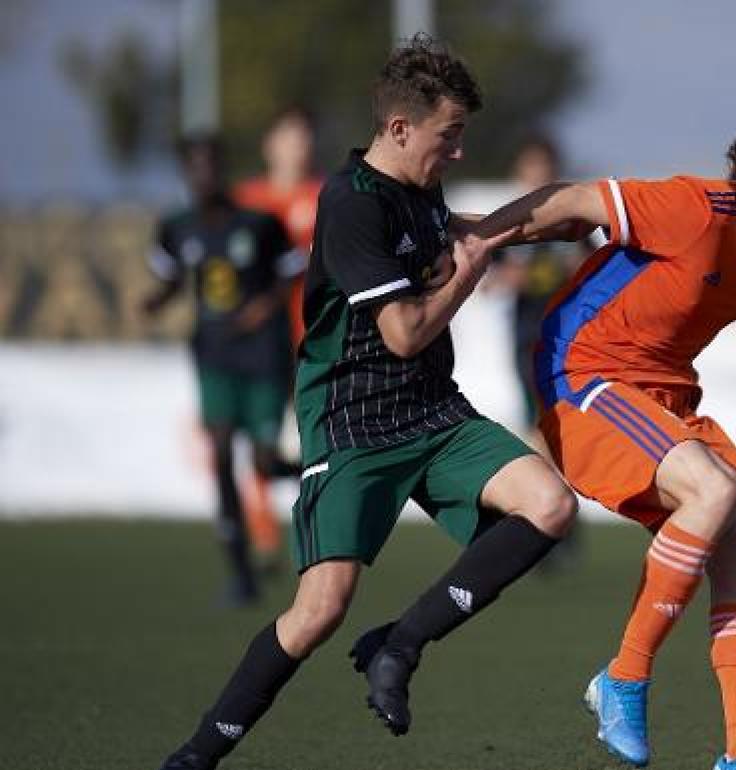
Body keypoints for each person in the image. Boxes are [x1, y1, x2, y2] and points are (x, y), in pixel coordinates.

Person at [156, 34, 576, 770]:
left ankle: (400, 643)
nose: (457, 155)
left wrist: (585, 216)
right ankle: (196, 754)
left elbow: (476, 233)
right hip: (353, 420)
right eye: (449, 137)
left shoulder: (420, 188)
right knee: (319, 610)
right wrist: (472, 271)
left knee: (550, 503)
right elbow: (407, 330)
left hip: (431, 410)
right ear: (401, 129)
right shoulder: (350, 204)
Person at [475, 98, 736, 770]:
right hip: (584, 372)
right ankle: (625, 677)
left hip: (661, 390)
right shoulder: (699, 210)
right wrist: (477, 235)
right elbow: (575, 201)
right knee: (712, 490)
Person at [143, 134, 304, 607]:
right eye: (194, 168)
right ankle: (239, 571)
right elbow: (173, 277)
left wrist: (262, 307)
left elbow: (290, 272)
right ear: (185, 174)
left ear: (222, 168)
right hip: (213, 355)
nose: (203, 176)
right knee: (218, 454)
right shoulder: (176, 227)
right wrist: (155, 300)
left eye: (210, 165)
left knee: (261, 461)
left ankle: (305, 473)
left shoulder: (258, 224)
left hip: (263, 357)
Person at [487, 134, 591, 572]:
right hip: (526, 337)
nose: (537, 176)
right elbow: (489, 279)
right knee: (539, 427)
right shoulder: (508, 225)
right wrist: (517, 278)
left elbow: (591, 272)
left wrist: (564, 275)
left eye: (543, 168)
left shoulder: (572, 224)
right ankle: (549, 518)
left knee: (553, 430)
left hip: (565, 339)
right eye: (530, 168)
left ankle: (548, 517)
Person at [232, 105, 323, 570]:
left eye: (304, 136)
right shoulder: (246, 201)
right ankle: (261, 532)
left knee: (316, 441)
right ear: (270, 144)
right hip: (261, 344)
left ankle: (310, 531)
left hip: (316, 339)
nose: (298, 145)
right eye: (288, 136)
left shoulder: (327, 195)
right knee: (260, 442)